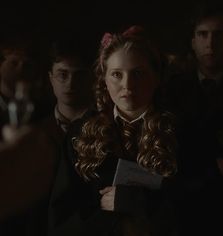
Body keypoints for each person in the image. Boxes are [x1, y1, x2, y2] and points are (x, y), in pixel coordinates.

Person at [48, 25, 178, 236]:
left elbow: (203, 206)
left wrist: (142, 202)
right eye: (117, 74)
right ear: (104, 79)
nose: (128, 85)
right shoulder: (80, 134)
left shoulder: (182, 132)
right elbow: (61, 218)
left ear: (156, 77)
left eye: (138, 73)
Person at [163, 2, 223, 234]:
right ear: (193, 41)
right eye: (203, 35)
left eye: (219, 35)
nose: (210, 43)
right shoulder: (170, 90)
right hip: (181, 210)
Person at [48, 38, 95, 133]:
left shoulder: (107, 126)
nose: (70, 83)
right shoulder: (37, 130)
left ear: (91, 78)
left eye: (79, 75)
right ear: (51, 78)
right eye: (62, 75)